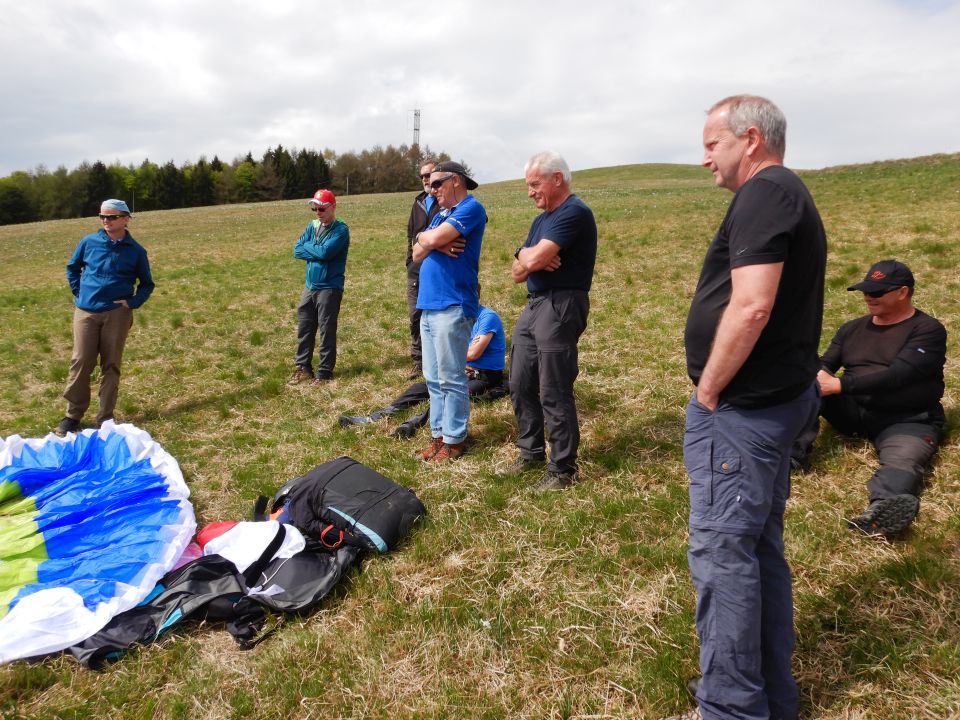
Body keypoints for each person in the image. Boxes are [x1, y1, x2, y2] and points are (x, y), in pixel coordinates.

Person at [670, 96, 826, 720]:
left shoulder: (765, 193)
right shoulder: (784, 193)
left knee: (723, 559)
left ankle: (732, 707)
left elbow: (753, 305)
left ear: (751, 139)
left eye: (713, 143)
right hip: (771, 404)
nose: (704, 158)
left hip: (742, 413)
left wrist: (709, 391)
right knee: (756, 550)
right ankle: (771, 697)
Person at [791, 260, 946, 538]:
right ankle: (789, 459)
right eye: (865, 291)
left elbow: (899, 375)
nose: (868, 297)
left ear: (903, 292)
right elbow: (826, 364)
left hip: (906, 418)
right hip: (853, 410)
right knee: (807, 389)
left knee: (903, 460)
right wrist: (815, 374)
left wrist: (839, 385)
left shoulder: (927, 330)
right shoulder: (851, 328)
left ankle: (883, 510)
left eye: (877, 292)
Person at [502, 151, 597, 491]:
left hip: (561, 304)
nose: (530, 192)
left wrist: (533, 258)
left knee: (554, 388)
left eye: (534, 184)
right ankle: (530, 453)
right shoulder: (541, 221)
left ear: (557, 179)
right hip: (535, 304)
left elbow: (535, 260)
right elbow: (518, 272)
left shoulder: (574, 212)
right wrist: (525, 255)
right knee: (519, 381)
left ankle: (562, 469)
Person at [56, 199, 154, 435]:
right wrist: (80, 292)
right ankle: (73, 415)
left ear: (125, 218)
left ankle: (105, 418)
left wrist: (132, 302)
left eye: (111, 217)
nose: (106, 221)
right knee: (81, 361)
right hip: (86, 312)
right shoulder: (88, 242)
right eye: (102, 217)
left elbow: (146, 284)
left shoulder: (136, 251)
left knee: (111, 365)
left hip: (116, 315)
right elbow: (72, 268)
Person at [338, 305, 508, 439]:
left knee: (450, 396)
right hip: (458, 367)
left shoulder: (487, 317)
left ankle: (412, 424)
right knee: (420, 388)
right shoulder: (454, 319)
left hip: (483, 375)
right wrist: (456, 351)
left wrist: (453, 350)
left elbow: (473, 354)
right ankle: (377, 416)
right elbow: (444, 350)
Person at [411, 161, 487, 463]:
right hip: (429, 305)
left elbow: (426, 241)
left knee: (451, 377)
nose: (431, 190)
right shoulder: (441, 215)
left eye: (436, 183)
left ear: (456, 181)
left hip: (453, 304)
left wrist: (430, 240)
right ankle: (439, 434)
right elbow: (416, 250)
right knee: (433, 377)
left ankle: (455, 439)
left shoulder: (471, 208)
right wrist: (434, 242)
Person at [288, 189, 350, 384]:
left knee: (326, 329)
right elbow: (297, 250)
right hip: (310, 286)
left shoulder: (341, 230)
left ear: (333, 207)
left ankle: (324, 373)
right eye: (315, 209)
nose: (318, 213)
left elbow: (325, 253)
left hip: (329, 287)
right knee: (305, 327)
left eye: (322, 209)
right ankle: (303, 367)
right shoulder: (312, 225)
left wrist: (309, 247)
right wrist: (315, 249)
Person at [405, 158, 441, 379]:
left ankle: (439, 359)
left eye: (429, 175)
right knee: (415, 316)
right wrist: (410, 262)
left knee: (438, 316)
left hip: (439, 269)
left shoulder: (446, 201)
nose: (426, 180)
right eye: (422, 176)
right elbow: (410, 234)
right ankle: (419, 361)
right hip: (416, 270)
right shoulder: (417, 202)